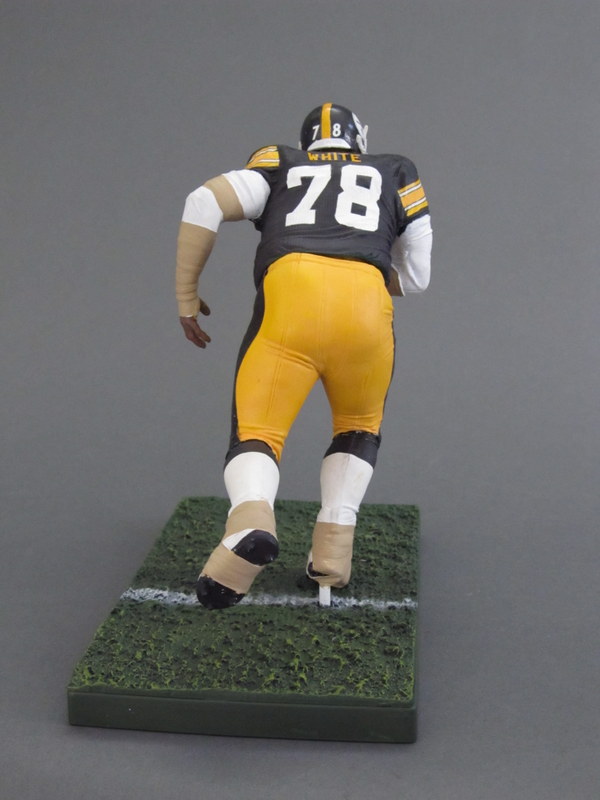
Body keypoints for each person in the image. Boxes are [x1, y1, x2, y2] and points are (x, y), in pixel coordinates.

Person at [175, 103, 432, 610]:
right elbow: (418, 277)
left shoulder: (280, 162)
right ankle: (333, 552)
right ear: (359, 139)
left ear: (307, 141)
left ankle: (251, 519)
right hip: (366, 304)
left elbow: (203, 200)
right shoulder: (395, 170)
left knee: (257, 433)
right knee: (357, 426)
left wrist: (186, 295)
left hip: (290, 298)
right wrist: (361, 269)